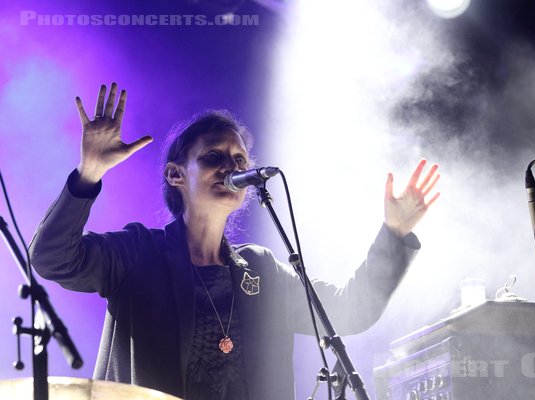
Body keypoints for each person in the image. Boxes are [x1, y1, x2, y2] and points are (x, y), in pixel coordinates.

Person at [29, 83, 440, 400]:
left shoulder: (261, 270)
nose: (231, 166)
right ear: (176, 175)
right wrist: (89, 173)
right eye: (213, 157)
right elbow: (52, 259)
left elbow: (351, 311)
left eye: (240, 161)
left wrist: (394, 234)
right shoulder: (138, 253)